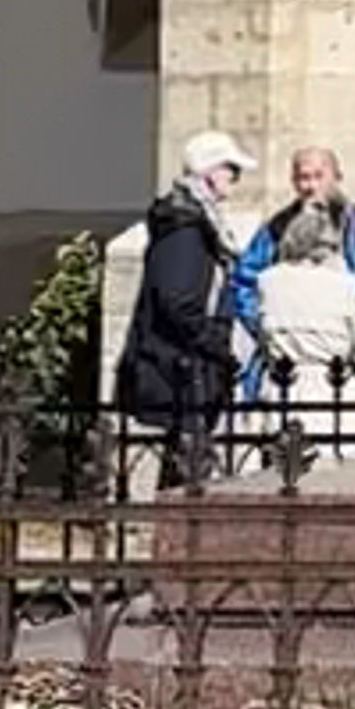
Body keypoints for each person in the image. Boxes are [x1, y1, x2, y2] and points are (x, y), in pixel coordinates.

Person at [111, 129, 248, 485]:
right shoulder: (184, 230)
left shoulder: (194, 222)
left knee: (185, 469)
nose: (235, 179)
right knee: (184, 473)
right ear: (209, 172)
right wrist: (219, 344)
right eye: (230, 169)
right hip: (178, 369)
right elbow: (179, 301)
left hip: (186, 368)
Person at [234, 145, 355, 429]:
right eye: (302, 178)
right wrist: (264, 326)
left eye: (318, 176)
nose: (309, 186)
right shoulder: (277, 227)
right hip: (290, 362)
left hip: (353, 355)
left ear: (336, 176)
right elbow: (245, 282)